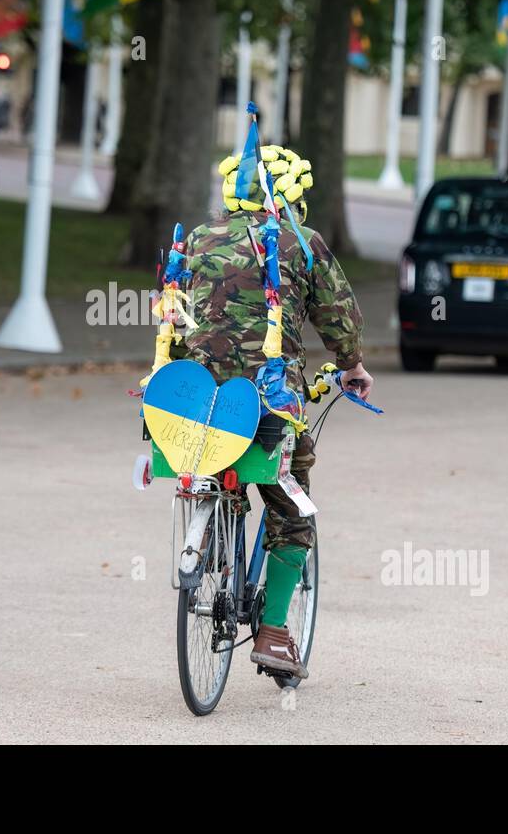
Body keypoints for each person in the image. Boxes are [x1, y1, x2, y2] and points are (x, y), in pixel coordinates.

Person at [179, 143, 372, 681]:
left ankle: (211, 539)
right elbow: (339, 317)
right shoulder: (300, 242)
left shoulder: (197, 239)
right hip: (269, 401)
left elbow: (174, 313)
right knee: (292, 509)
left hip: (196, 399)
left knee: (217, 468)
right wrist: (352, 365)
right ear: (290, 197)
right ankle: (273, 633)